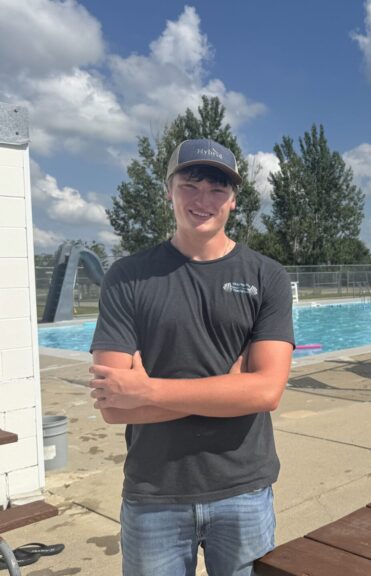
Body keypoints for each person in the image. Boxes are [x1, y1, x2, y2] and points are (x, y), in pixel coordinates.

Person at [88, 138, 295, 576]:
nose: (204, 200)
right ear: (169, 189)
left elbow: (266, 392)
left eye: (218, 188)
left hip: (243, 488)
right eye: (191, 184)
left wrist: (146, 390)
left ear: (234, 200)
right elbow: (112, 407)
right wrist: (227, 390)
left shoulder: (266, 276)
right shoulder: (128, 277)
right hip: (154, 493)